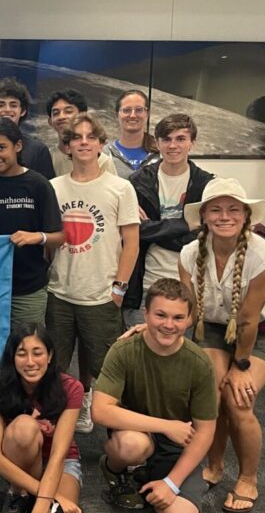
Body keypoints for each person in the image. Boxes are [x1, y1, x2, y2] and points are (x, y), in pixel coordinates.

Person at [179, 178, 265, 513]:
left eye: (233, 209)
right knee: (210, 395)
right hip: (210, 330)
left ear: (246, 215)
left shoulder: (264, 256)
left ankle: (248, 478)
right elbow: (189, 311)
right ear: (205, 217)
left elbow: (249, 320)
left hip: (260, 335)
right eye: (216, 210)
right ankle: (214, 466)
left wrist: (240, 368)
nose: (225, 216)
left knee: (238, 401)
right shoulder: (189, 253)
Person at [91, 278, 217, 513]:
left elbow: (205, 431)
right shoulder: (124, 350)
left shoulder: (199, 363)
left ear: (189, 320)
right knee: (131, 446)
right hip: (140, 435)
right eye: (160, 315)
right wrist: (165, 426)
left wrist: (171, 484)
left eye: (178, 317)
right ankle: (119, 471)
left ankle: (155, 482)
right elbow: (100, 411)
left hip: (178, 447)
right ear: (145, 314)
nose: (169, 325)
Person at [47, 113, 139, 434]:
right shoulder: (54, 187)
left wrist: (119, 289)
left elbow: (131, 243)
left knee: (109, 370)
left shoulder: (120, 188)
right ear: (67, 146)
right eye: (77, 137)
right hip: (59, 294)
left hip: (102, 297)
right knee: (54, 368)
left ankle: (124, 441)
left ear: (101, 144)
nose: (84, 142)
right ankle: (57, 429)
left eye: (91, 137)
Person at [0, 324, 83, 513]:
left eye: (37, 353)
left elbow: (59, 455)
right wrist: (50, 498)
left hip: (59, 463)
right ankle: (19, 493)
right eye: (21, 353)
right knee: (25, 426)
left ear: (50, 356)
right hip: (20, 462)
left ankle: (33, 503)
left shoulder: (71, 388)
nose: (30, 362)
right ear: (12, 358)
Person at [0, 118, 63, 333]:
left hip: (28, 289)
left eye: (1, 148)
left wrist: (37, 237)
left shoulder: (38, 184)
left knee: (27, 347)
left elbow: (59, 237)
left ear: (18, 146)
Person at [123, 113, 214, 327]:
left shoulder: (207, 185)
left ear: (192, 143)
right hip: (146, 281)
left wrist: (154, 230)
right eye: (166, 139)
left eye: (180, 139)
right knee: (140, 351)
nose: (173, 145)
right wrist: (184, 225)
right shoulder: (137, 182)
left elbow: (201, 235)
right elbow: (135, 233)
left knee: (182, 352)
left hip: (190, 282)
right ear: (157, 143)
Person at [45, 89, 118, 177]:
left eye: (68, 111)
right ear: (50, 121)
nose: (62, 117)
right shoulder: (46, 158)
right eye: (56, 113)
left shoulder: (102, 160)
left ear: (83, 116)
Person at [108, 90, 158, 178]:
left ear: (147, 114)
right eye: (126, 110)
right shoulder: (105, 154)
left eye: (139, 110)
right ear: (117, 115)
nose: (133, 115)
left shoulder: (161, 154)